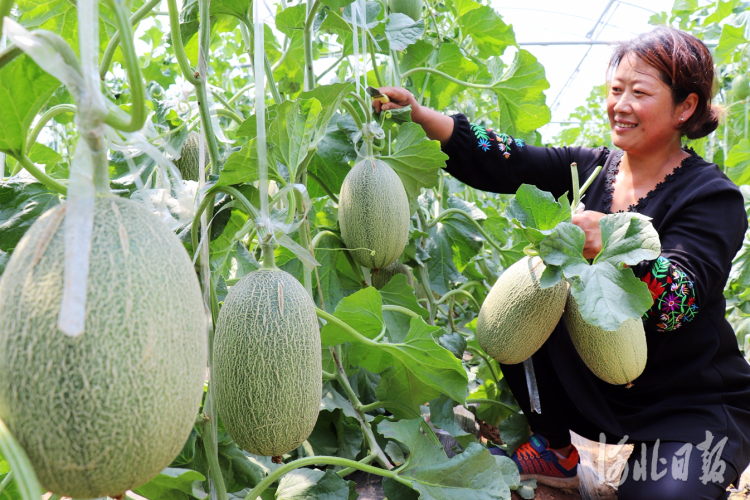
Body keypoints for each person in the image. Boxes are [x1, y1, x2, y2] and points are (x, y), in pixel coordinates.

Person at [372, 27, 750, 499]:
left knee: (664, 496)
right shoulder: (589, 169)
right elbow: (505, 158)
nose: (621, 104)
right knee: (531, 285)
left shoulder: (712, 197)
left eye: (639, 92)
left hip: (688, 403)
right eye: (616, 90)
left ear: (685, 107)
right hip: (599, 389)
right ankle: (557, 445)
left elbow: (679, 301)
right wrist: (422, 116)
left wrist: (610, 243)